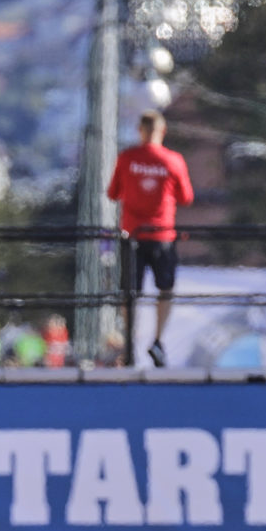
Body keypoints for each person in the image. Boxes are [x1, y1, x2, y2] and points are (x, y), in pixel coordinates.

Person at [109, 111, 197, 368]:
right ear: (163, 131)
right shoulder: (173, 160)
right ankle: (157, 339)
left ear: (140, 130)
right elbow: (186, 197)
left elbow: (113, 192)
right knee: (165, 290)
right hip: (162, 236)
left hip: (132, 236)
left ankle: (130, 343)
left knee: (129, 293)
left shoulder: (127, 158)